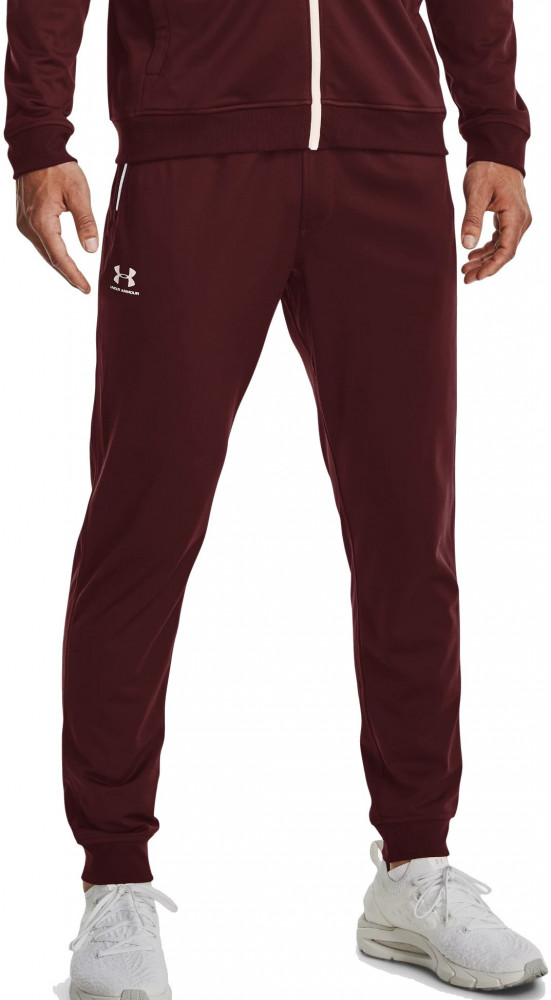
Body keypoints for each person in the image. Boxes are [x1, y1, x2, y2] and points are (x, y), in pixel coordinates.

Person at [5, 1, 546, 996]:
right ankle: (113, 878)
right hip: (191, 145)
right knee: (143, 521)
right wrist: (40, 135)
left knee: (407, 526)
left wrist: (494, 131)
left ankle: (415, 862)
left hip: (384, 146)